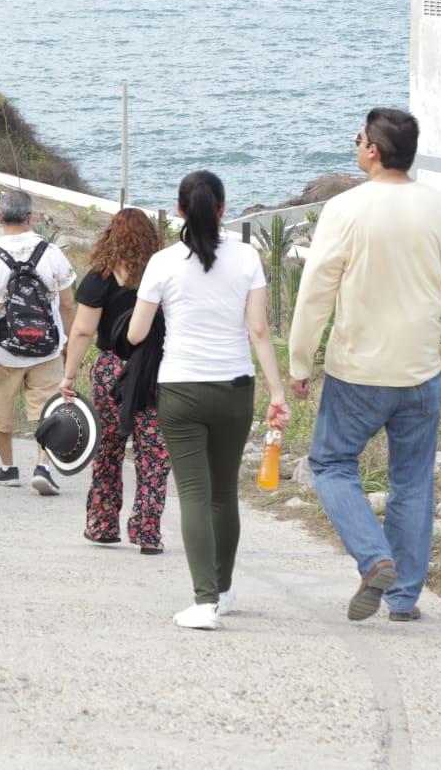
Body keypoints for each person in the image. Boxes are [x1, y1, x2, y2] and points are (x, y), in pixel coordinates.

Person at [288, 108, 441, 624]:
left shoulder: (346, 209)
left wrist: (299, 362)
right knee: (413, 482)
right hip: (421, 372)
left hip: (358, 374)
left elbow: (315, 292)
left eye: (358, 138)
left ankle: (376, 559)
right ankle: (403, 598)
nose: (356, 144)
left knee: (330, 464)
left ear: (372, 149)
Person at [127, 170, 290, 630]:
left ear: (179, 210)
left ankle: (202, 603)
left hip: (180, 388)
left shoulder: (162, 263)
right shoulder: (247, 259)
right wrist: (277, 391)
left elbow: (137, 332)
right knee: (224, 494)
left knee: (194, 494)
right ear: (223, 210)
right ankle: (223, 589)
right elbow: (259, 330)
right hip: (235, 388)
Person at [59, 207, 170, 552]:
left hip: (112, 369)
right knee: (154, 452)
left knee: (108, 447)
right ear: (151, 238)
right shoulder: (164, 272)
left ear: (110, 236)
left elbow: (81, 331)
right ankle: (147, 530)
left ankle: (103, 524)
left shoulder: (99, 276)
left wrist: (69, 375)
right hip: (155, 370)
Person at [0, 190, 77, 496]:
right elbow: (68, 304)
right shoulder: (51, 252)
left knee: (2, 408)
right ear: (31, 218)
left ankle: (7, 468)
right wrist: (67, 340)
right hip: (47, 348)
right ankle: (42, 465)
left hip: (5, 352)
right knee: (50, 409)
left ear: (0, 217)